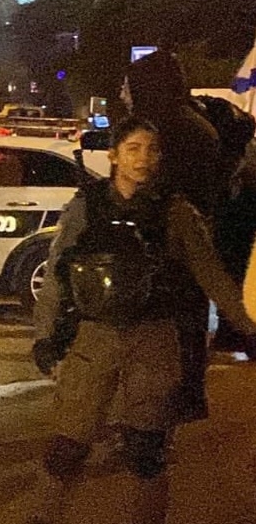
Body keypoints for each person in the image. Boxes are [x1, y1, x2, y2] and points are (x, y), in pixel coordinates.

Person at [27, 118, 256, 524]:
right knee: (68, 446)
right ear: (113, 155)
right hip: (94, 339)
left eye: (152, 149)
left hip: (152, 341)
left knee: (145, 451)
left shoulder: (175, 211)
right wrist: (44, 338)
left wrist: (248, 324)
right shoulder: (87, 205)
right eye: (133, 148)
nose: (143, 159)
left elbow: (212, 276)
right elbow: (58, 276)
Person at [119, 52, 228, 425]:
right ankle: (185, 399)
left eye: (130, 85)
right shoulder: (196, 125)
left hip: (168, 246)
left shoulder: (168, 130)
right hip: (189, 243)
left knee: (164, 334)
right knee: (188, 327)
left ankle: (160, 418)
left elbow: (158, 190)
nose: (123, 94)